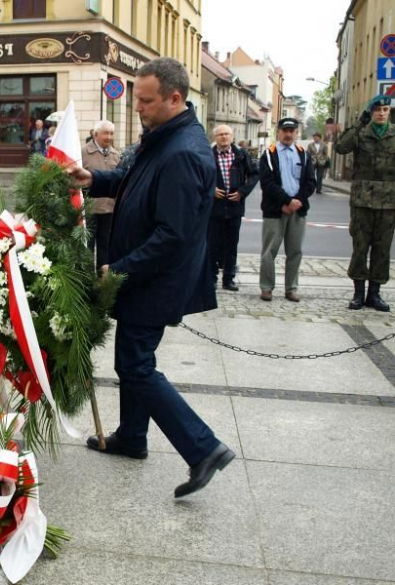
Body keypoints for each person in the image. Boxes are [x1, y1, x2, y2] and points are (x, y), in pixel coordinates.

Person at [68, 57, 235, 499]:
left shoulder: (183, 152)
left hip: (156, 278)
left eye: (145, 100)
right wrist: (95, 179)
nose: (137, 107)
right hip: (144, 275)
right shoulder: (163, 137)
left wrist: (118, 268)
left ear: (174, 98)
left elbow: (172, 235)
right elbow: (131, 179)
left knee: (135, 365)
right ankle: (132, 437)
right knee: (135, 360)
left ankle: (203, 448)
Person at [335, 95, 395, 312]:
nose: (381, 113)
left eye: (385, 109)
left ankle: (375, 294)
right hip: (362, 202)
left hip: (389, 203)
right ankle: (358, 294)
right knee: (360, 248)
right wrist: (360, 122)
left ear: (389, 111)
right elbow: (340, 147)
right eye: (377, 110)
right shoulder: (361, 133)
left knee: (382, 250)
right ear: (372, 112)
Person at [258, 118, 316, 302]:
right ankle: (266, 288)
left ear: (297, 133)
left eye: (292, 130)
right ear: (279, 132)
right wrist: (285, 201)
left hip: (297, 210)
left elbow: (310, 182)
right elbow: (267, 183)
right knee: (269, 251)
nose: (288, 134)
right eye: (285, 130)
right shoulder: (269, 154)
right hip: (275, 209)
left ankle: (291, 288)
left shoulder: (304, 154)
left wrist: (297, 200)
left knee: (295, 251)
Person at [208, 125, 259, 291]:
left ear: (232, 136)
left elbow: (254, 174)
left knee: (232, 245)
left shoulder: (241, 154)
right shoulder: (207, 155)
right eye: (220, 134)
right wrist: (210, 189)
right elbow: (196, 176)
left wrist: (242, 192)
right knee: (211, 245)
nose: (224, 137)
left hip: (234, 207)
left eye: (227, 134)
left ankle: (228, 279)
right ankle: (211, 278)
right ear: (215, 137)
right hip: (213, 208)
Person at [81, 120, 121, 270]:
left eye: (111, 133)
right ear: (95, 134)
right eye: (106, 133)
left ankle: (102, 278)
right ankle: (87, 279)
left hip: (109, 210)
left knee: (106, 246)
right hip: (89, 209)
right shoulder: (83, 152)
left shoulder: (116, 155)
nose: (109, 137)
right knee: (88, 247)